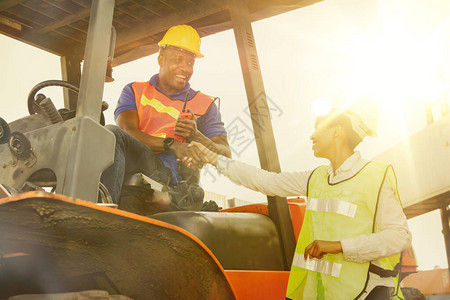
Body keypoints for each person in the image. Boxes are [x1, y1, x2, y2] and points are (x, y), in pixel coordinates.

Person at [188, 101, 412, 299]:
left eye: (318, 129)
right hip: (330, 294)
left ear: (337, 131)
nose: (312, 136)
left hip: (369, 292)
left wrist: (339, 247)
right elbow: (264, 180)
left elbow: (399, 236)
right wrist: (214, 159)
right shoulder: (317, 178)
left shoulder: (375, 176)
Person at [100, 25, 231, 211]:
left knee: (112, 133)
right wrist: (172, 144)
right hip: (137, 163)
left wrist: (196, 136)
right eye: (178, 60)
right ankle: (94, 200)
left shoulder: (205, 105)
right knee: (106, 135)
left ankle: (104, 210)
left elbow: (225, 154)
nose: (185, 68)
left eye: (190, 63)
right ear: (161, 59)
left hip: (170, 178)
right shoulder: (135, 91)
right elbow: (126, 132)